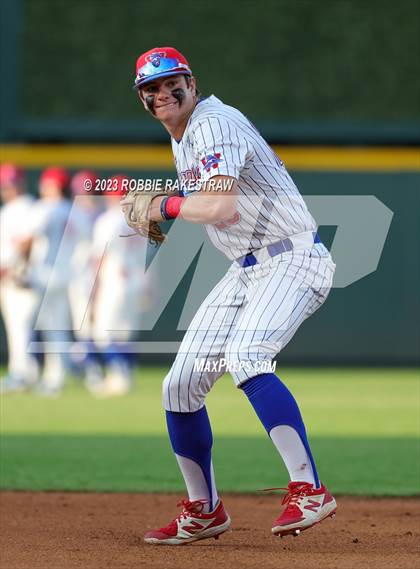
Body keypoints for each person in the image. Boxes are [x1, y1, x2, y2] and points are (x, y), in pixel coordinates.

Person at [131, 47, 337, 545]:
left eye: (171, 82)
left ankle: (309, 489)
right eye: (151, 89)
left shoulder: (214, 122)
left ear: (192, 82)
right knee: (178, 387)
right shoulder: (185, 138)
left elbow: (220, 205)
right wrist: (171, 207)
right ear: (142, 99)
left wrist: (164, 204)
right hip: (244, 270)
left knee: (248, 355)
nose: (163, 93)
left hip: (291, 259)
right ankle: (204, 510)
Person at [90, 175, 150, 396]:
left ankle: (118, 376)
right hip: (135, 280)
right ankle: (128, 375)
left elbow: (99, 257)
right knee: (125, 333)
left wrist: (93, 289)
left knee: (103, 333)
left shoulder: (108, 219)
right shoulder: (140, 219)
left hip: (114, 281)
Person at [0, 164, 38, 392]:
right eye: (5, 184)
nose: (7, 189)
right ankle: (26, 372)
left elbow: (27, 242)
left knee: (21, 325)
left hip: (23, 276)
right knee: (15, 326)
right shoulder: (7, 210)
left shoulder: (28, 207)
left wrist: (11, 266)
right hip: (7, 277)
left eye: (11, 184)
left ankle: (20, 373)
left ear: (20, 184)